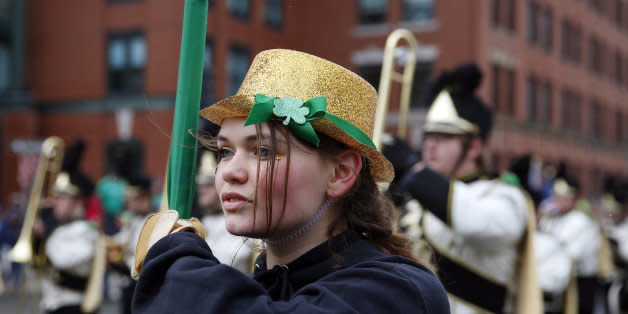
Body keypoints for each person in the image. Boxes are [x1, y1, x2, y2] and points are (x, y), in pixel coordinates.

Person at [130, 49, 450, 313]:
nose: (229, 172)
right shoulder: (259, 286)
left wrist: (175, 262)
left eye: (264, 151)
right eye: (226, 152)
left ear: (340, 174)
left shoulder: (397, 290)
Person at [393, 64, 541, 313]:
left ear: (473, 147)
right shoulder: (416, 191)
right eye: (427, 136)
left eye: (442, 137)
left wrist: (412, 169)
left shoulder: (505, 196)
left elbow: (476, 223)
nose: (430, 147)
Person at [37, 140, 98, 314]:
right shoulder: (59, 228)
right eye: (56, 196)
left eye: (63, 198)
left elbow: (62, 259)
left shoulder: (87, 231)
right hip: (51, 305)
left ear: (78, 201)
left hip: (74, 307)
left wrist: (46, 232)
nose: (56, 202)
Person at [538, 172, 601, 313]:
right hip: (558, 280)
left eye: (564, 197)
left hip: (578, 284)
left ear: (574, 198)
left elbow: (571, 253)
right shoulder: (551, 219)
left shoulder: (582, 221)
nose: (559, 200)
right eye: (557, 196)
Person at [196, 150, 254, 273]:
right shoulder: (202, 224)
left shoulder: (242, 227)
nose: (202, 190)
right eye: (200, 185)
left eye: (208, 185)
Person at [109, 174, 155, 314]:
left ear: (145, 198)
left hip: (140, 286)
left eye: (134, 199)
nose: (129, 203)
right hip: (128, 285)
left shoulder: (152, 222)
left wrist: (123, 265)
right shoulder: (133, 221)